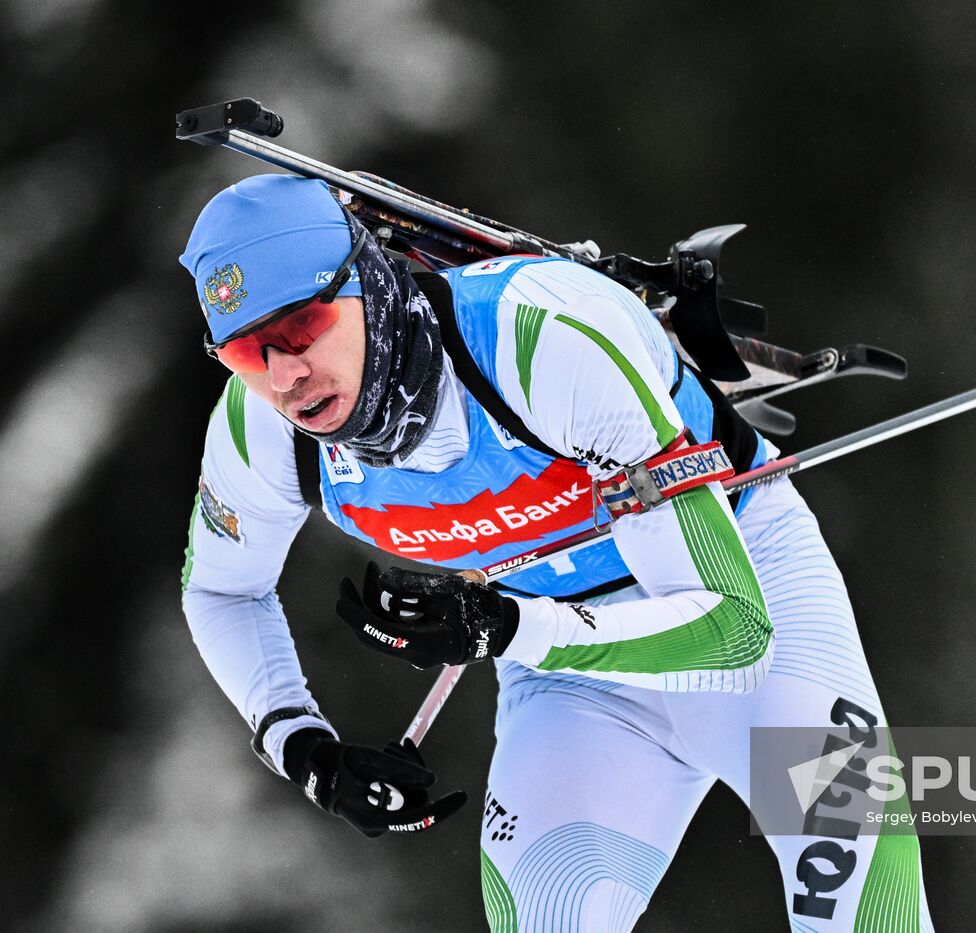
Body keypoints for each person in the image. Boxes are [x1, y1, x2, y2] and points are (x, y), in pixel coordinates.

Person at [179, 172, 935, 931]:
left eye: (302, 328)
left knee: (853, 851)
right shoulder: (262, 435)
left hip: (749, 590)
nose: (283, 376)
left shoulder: (538, 342)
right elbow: (221, 590)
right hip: (572, 670)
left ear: (368, 284)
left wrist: (504, 628)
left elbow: (735, 634)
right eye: (247, 352)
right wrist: (305, 748)